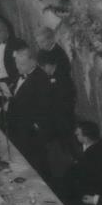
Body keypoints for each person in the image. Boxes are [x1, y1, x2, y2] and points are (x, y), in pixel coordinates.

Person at [5, 43, 52, 174]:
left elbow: (43, 107)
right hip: (18, 125)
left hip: (29, 131)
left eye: (22, 64)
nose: (18, 67)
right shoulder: (22, 74)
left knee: (35, 164)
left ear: (33, 62)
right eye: (17, 63)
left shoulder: (41, 79)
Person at [37, 48, 75, 178]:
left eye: (42, 67)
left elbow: (62, 102)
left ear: (48, 65)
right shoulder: (54, 75)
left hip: (62, 120)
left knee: (65, 149)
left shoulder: (61, 78)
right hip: (59, 118)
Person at [63, 120, 102, 205]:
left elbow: (87, 178)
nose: (75, 135)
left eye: (78, 134)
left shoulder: (95, 155)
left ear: (86, 138)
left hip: (86, 194)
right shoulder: (91, 145)